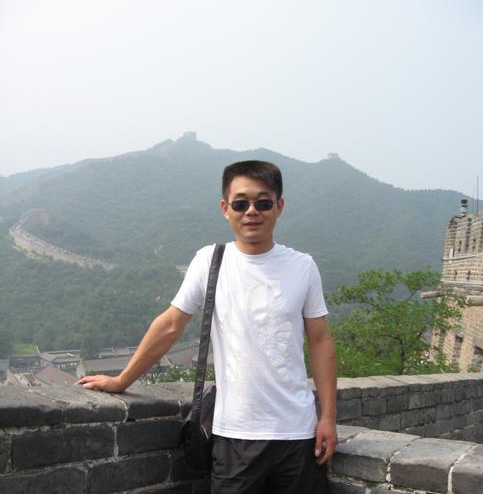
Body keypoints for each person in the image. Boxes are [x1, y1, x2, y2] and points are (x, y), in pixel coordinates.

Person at [75, 160, 337, 493]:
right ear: (225, 209)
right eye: (240, 204)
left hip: (298, 434)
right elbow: (171, 325)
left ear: (279, 206)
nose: (251, 211)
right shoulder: (211, 261)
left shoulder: (302, 266)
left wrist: (328, 417)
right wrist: (122, 380)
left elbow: (320, 341)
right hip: (234, 435)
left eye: (263, 202)